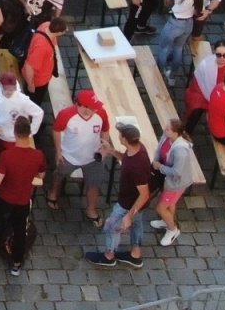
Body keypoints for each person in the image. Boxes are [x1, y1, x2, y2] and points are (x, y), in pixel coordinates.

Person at [0, 114, 45, 278]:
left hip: (4, 197)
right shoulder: (38, 155)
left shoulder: (7, 156)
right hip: (23, 200)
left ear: (15, 133)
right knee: (20, 230)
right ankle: (16, 263)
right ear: (29, 133)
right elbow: (41, 175)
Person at [85, 119, 153, 268]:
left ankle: (109, 256)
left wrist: (128, 215)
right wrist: (111, 151)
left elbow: (144, 194)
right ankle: (135, 254)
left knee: (111, 225)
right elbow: (126, 159)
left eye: (120, 135)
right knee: (137, 223)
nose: (118, 137)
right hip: (135, 204)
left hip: (128, 204)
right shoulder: (137, 149)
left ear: (125, 140)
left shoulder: (137, 166)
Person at [47, 89, 110, 220]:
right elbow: (57, 130)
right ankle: (53, 193)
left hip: (93, 158)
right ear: (83, 107)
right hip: (69, 156)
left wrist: (104, 146)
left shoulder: (101, 113)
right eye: (92, 107)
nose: (95, 110)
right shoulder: (66, 114)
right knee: (60, 174)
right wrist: (58, 151)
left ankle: (91, 209)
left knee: (95, 183)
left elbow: (105, 129)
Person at [150, 117, 198, 247]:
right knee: (170, 205)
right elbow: (159, 149)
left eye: (167, 129)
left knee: (161, 208)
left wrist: (159, 167)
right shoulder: (167, 137)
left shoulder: (180, 151)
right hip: (169, 179)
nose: (164, 130)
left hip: (176, 184)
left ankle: (172, 230)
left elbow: (177, 172)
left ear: (175, 133)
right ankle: (167, 221)